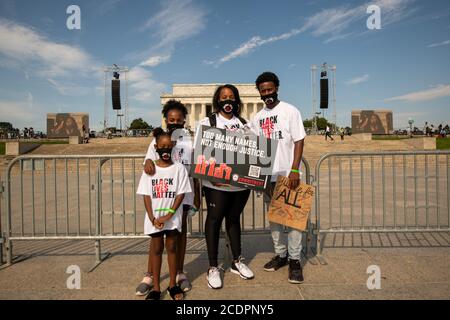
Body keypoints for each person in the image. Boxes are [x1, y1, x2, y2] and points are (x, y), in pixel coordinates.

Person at [135, 100, 200, 296]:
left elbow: (194, 169)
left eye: (179, 120)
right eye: (171, 120)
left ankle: (179, 273)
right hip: (162, 197)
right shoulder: (158, 140)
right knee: (156, 238)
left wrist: (196, 195)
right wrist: (147, 161)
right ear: (166, 120)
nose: (175, 123)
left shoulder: (188, 141)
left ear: (184, 121)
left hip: (183, 194)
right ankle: (149, 276)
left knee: (179, 236)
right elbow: (149, 161)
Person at [250, 71, 306, 284]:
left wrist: (294, 169)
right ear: (259, 93)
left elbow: (299, 140)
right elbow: (254, 147)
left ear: (277, 88)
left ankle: (294, 260)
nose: (267, 94)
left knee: (292, 220)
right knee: (274, 218)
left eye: (270, 90)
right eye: (263, 91)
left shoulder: (290, 111)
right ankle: (281, 255)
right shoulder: (257, 118)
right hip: (268, 176)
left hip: (287, 174)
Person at [197, 84, 253, 289]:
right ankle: (213, 266)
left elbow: (253, 153)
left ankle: (237, 261)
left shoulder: (245, 124)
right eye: (223, 97)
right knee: (214, 220)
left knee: (233, 219)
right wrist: (212, 177)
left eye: (231, 97)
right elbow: (201, 152)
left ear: (236, 100)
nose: (227, 100)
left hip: (239, 185)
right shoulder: (208, 121)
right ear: (217, 100)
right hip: (216, 183)